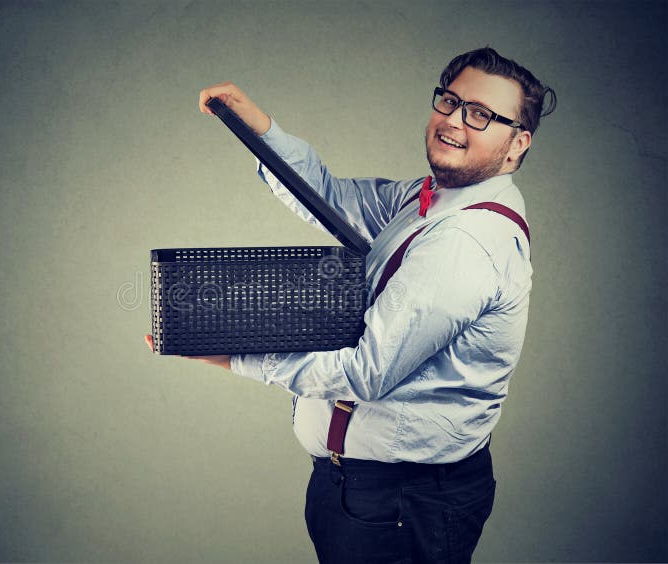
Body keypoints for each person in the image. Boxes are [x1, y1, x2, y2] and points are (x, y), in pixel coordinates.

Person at [146, 47, 555, 563]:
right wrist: (257, 128)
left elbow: (367, 372)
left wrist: (233, 356)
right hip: (356, 491)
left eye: (480, 114)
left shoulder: (467, 240)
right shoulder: (426, 199)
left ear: (517, 144)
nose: (454, 121)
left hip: (404, 500)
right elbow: (329, 198)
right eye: (450, 101)